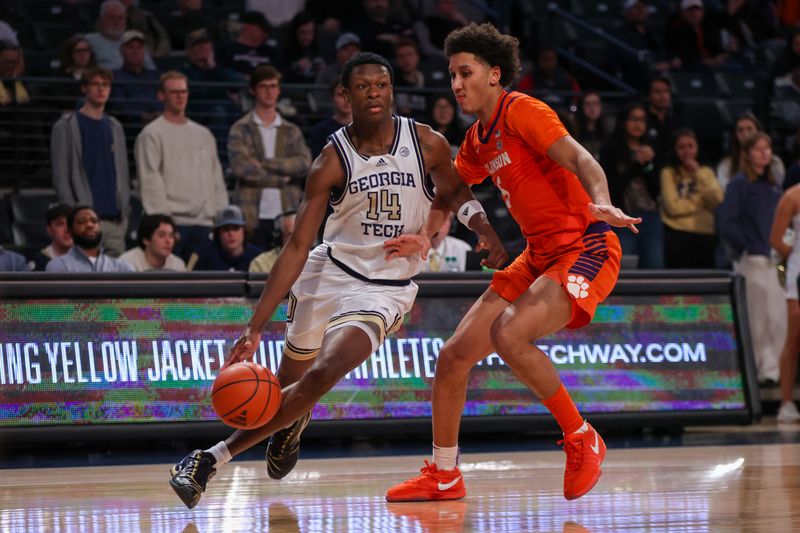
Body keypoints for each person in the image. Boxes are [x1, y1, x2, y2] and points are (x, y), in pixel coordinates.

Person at [168, 51, 506, 509]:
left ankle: (208, 459)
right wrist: (255, 326)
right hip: (328, 272)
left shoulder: (425, 142)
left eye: (382, 85)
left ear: (392, 90)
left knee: (324, 374)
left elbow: (454, 191)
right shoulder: (332, 158)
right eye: (363, 86)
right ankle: (292, 422)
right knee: (292, 378)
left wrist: (482, 227)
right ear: (345, 95)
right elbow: (296, 248)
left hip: (384, 289)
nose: (374, 94)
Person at [383, 23, 639, 503]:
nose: (457, 84)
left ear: (494, 74)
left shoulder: (524, 111)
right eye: (452, 75)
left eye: (466, 72)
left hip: (586, 245)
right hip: (539, 254)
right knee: (453, 357)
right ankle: (444, 474)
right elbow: (451, 190)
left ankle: (582, 436)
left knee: (509, 333)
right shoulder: (478, 139)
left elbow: (582, 159)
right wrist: (425, 233)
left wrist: (601, 200)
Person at [135, 71, 228, 260]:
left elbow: (216, 177)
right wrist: (164, 225)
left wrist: (220, 217)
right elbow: (150, 180)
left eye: (183, 92)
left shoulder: (203, 134)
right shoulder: (152, 134)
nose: (180, 96)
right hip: (173, 224)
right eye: (174, 92)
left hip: (203, 223)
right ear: (161, 95)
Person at [718, 132, 785, 386]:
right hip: (753, 258)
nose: (764, 153)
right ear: (747, 153)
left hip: (773, 258)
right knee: (756, 318)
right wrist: (745, 246)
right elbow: (727, 221)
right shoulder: (739, 183)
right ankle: (758, 369)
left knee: (776, 317)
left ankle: (774, 370)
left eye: (767, 148)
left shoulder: (772, 184)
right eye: (758, 149)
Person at [228, 65, 312, 249]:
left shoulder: (291, 130)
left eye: (273, 86)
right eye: (264, 86)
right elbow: (242, 168)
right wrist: (282, 177)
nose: (269, 91)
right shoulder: (241, 128)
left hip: (287, 211)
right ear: (253, 90)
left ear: (279, 90)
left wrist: (265, 162)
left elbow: (304, 163)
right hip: (252, 214)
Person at [51, 67, 131, 257]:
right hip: (84, 221)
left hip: (115, 222)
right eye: (95, 84)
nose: (101, 89)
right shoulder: (66, 126)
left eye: (105, 85)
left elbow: (122, 172)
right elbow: (60, 175)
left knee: (116, 283)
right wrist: (74, 213)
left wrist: (124, 211)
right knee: (85, 280)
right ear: (84, 88)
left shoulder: (115, 126)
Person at [600, 103, 663, 269]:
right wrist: (636, 164)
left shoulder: (650, 149)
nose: (638, 124)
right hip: (621, 217)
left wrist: (646, 165)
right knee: (620, 268)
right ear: (623, 122)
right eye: (633, 119)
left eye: (642, 120)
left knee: (654, 267)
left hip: (650, 217)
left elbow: (656, 190)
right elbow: (612, 188)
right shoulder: (610, 149)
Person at [659, 128, 723, 268]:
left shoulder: (706, 172)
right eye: (681, 147)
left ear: (697, 147)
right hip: (677, 235)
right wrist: (701, 202)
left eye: (690, 146)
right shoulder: (668, 173)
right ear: (674, 150)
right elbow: (673, 207)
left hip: (705, 236)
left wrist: (697, 173)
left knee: (704, 286)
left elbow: (717, 198)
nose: (687, 151)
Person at [770, 183, 800, 422]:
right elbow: (776, 239)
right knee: (794, 338)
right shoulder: (792, 196)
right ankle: (786, 403)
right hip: (798, 273)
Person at [46, 206, 134, 272]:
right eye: (81, 222)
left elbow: (140, 297)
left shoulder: (121, 267)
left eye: (94, 221)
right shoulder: (58, 266)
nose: (90, 225)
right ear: (70, 230)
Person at [716, 112, 785, 190]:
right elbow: (725, 191)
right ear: (735, 135)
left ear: (758, 131)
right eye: (740, 130)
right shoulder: (726, 165)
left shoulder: (775, 163)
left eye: (749, 129)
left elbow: (777, 188)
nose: (745, 134)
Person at [110, 30, 161, 128]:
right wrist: (141, 116)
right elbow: (118, 106)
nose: (135, 51)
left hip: (158, 125)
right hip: (131, 128)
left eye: (139, 47)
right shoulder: (115, 77)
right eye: (130, 47)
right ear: (121, 51)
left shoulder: (156, 76)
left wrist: (158, 114)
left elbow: (164, 100)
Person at [85, 0, 155, 71]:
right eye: (112, 18)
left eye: (120, 18)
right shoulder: (89, 41)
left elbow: (151, 69)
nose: (116, 22)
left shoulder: (134, 40)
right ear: (101, 20)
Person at [190, 205, 263, 271]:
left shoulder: (258, 257)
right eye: (226, 229)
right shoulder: (204, 256)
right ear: (218, 233)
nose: (231, 233)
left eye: (235, 228)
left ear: (244, 231)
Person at [216, 11, 282, 77]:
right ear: (249, 27)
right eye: (263, 29)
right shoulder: (225, 50)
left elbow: (281, 74)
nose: (265, 34)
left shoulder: (271, 53)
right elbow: (219, 73)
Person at [120, 214, 186, 271]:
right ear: (146, 240)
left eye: (171, 236)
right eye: (161, 235)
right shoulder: (127, 262)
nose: (168, 241)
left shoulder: (178, 265)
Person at [309, 78, 352, 159]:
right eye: (340, 95)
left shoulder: (368, 128)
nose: (346, 99)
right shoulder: (320, 130)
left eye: (349, 94)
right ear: (332, 98)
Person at [31, 204, 74, 271]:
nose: (67, 229)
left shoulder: (88, 257)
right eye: (60, 224)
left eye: (70, 223)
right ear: (49, 230)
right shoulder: (39, 261)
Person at [574, 91, 613, 162]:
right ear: (581, 107)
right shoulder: (574, 134)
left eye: (596, 103)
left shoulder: (608, 135)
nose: (592, 108)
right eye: (587, 104)